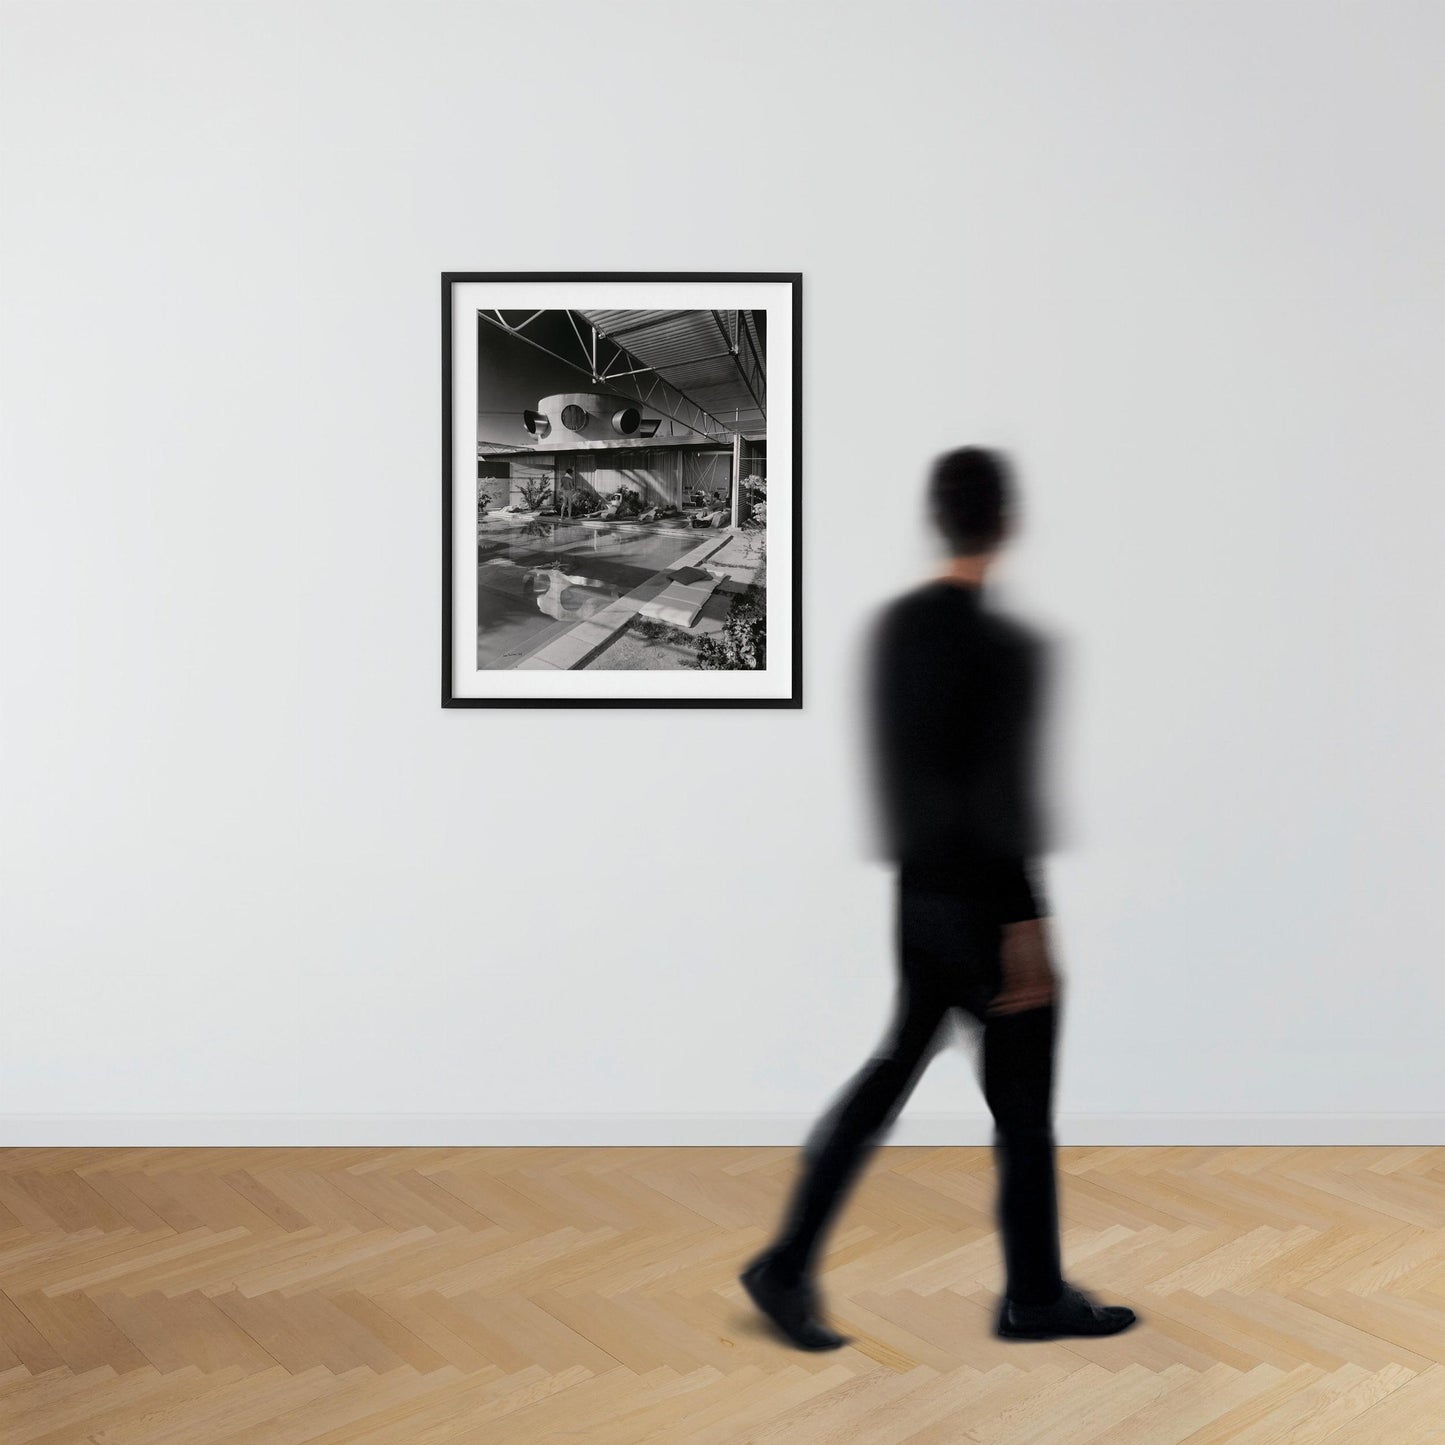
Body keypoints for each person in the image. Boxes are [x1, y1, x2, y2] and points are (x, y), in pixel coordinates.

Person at [740, 447, 1139, 1350]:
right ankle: (1033, 1296)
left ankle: (786, 1262)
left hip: (916, 899)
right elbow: (999, 801)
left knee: (885, 1076)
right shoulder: (1007, 649)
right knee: (1023, 1114)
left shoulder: (893, 630)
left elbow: (910, 782)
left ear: (938, 518)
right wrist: (1026, 929)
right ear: (1005, 522)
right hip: (988, 912)